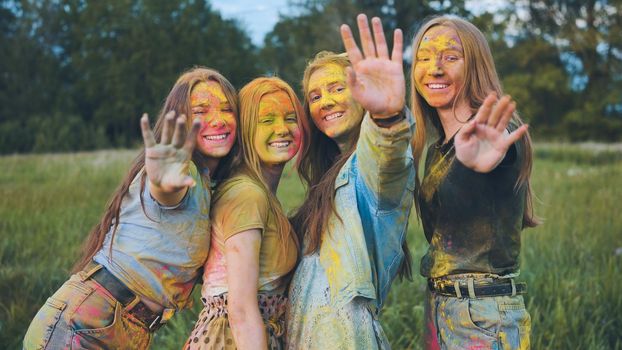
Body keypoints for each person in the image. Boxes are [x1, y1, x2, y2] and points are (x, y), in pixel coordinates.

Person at [23, 67, 239, 349]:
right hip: (86, 324)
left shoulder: (210, 187)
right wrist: (164, 184)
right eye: (201, 111)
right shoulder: (179, 173)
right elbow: (165, 193)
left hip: (130, 329)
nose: (217, 120)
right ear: (180, 121)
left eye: (227, 109)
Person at [286, 15, 416, 349]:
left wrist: (387, 117)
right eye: (314, 96)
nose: (325, 101)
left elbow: (387, 159)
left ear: (363, 92)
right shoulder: (329, 177)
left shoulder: (369, 169)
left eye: (337, 88)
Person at [409, 16, 538, 350]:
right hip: (443, 307)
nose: (434, 68)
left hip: (483, 315)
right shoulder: (437, 148)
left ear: (475, 65)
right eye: (423, 58)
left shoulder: (495, 135)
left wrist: (474, 165)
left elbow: (495, 154)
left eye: (451, 57)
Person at [184, 77, 308, 350]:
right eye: (267, 120)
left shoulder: (260, 193)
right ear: (246, 129)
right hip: (231, 339)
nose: (282, 129)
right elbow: (240, 309)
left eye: (290, 118)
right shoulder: (246, 195)